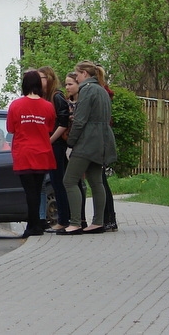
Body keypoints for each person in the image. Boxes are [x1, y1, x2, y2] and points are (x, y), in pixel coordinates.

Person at [60, 61, 117, 235]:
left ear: (84, 73)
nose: (76, 78)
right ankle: (98, 222)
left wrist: (71, 143)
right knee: (96, 181)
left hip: (86, 142)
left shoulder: (87, 90)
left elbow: (80, 120)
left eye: (77, 75)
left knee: (69, 180)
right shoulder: (102, 90)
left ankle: (75, 223)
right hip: (102, 141)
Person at [7, 70, 57, 237]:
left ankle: (32, 226)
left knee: (30, 191)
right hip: (42, 152)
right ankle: (36, 224)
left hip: (24, 152)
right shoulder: (48, 106)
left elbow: (10, 129)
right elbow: (50, 128)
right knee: (37, 189)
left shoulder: (16, 105)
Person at [38, 66, 71, 230]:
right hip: (49, 144)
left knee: (58, 182)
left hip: (57, 144)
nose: (39, 81)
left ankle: (64, 220)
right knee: (55, 182)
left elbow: (63, 123)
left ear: (49, 79)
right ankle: (64, 219)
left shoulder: (57, 97)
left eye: (42, 78)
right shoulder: (43, 97)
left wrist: (49, 140)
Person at [95, 65, 119, 232]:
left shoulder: (97, 94)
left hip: (98, 140)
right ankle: (109, 218)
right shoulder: (105, 92)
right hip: (103, 138)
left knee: (100, 181)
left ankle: (108, 218)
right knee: (101, 180)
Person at [63, 71, 87, 228]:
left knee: (79, 182)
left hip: (81, 144)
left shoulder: (84, 102)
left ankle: (80, 219)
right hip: (67, 142)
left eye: (70, 84)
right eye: (66, 84)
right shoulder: (66, 102)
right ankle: (75, 218)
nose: (67, 87)